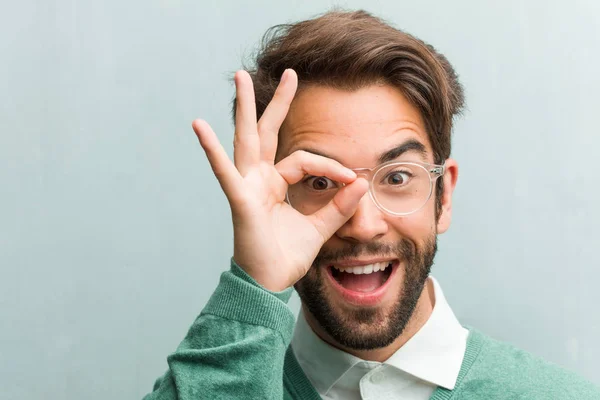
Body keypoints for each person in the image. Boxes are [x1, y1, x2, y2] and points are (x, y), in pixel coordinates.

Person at [143, 9, 600, 400]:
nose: (363, 224)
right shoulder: (216, 378)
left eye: (398, 178)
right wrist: (253, 288)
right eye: (320, 181)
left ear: (443, 197)